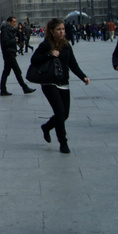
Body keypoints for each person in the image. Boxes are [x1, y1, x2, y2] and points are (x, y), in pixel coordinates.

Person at [32, 18, 90, 154]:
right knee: (59, 112)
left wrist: (83, 77)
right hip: (49, 83)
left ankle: (46, 127)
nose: (62, 32)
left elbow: (73, 64)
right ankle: (63, 142)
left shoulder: (66, 45)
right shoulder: (46, 45)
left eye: (63, 29)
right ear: (51, 31)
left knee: (65, 114)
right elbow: (34, 60)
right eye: (58, 29)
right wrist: (49, 54)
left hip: (64, 82)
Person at [0, 16, 36, 96]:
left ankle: (3, 90)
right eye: (14, 22)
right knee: (17, 71)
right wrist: (14, 40)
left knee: (6, 72)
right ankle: (25, 88)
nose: (15, 23)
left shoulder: (8, 30)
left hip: (10, 53)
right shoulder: (5, 30)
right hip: (9, 54)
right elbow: (5, 42)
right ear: (9, 22)